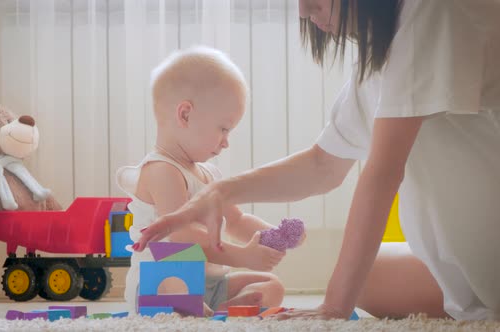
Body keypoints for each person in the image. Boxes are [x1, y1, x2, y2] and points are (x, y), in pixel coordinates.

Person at [134, 0, 500, 321]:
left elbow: (383, 172)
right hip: (475, 256)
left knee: (349, 284)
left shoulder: (433, 10)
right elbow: (322, 166)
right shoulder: (382, 56)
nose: (302, 11)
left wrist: (334, 307)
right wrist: (221, 194)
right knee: (365, 278)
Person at [118, 46, 293, 315]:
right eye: (223, 128)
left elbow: (236, 220)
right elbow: (182, 236)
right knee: (173, 287)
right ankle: (196, 310)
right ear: (185, 115)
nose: (226, 142)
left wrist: (277, 236)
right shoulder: (161, 170)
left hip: (210, 285)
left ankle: (221, 310)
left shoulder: (210, 174)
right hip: (163, 281)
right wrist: (243, 256)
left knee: (271, 285)